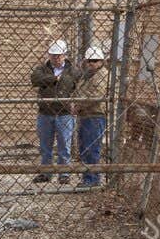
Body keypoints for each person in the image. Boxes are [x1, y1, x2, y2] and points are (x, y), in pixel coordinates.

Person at [30, 40, 79, 183]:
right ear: (49, 55)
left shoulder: (73, 71)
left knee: (64, 144)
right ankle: (46, 172)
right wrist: (54, 79)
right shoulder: (42, 69)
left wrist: (75, 103)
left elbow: (78, 88)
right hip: (46, 112)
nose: (56, 58)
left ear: (64, 55)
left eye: (59, 55)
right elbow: (35, 79)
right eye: (53, 55)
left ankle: (64, 174)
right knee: (45, 145)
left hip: (64, 113)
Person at [74, 45, 111, 188]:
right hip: (86, 115)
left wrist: (78, 106)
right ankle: (88, 177)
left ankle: (92, 179)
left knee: (91, 147)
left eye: (95, 61)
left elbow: (96, 96)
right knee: (85, 147)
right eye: (89, 60)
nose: (92, 63)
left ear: (101, 61)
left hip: (95, 115)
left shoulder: (101, 75)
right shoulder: (88, 76)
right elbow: (80, 93)